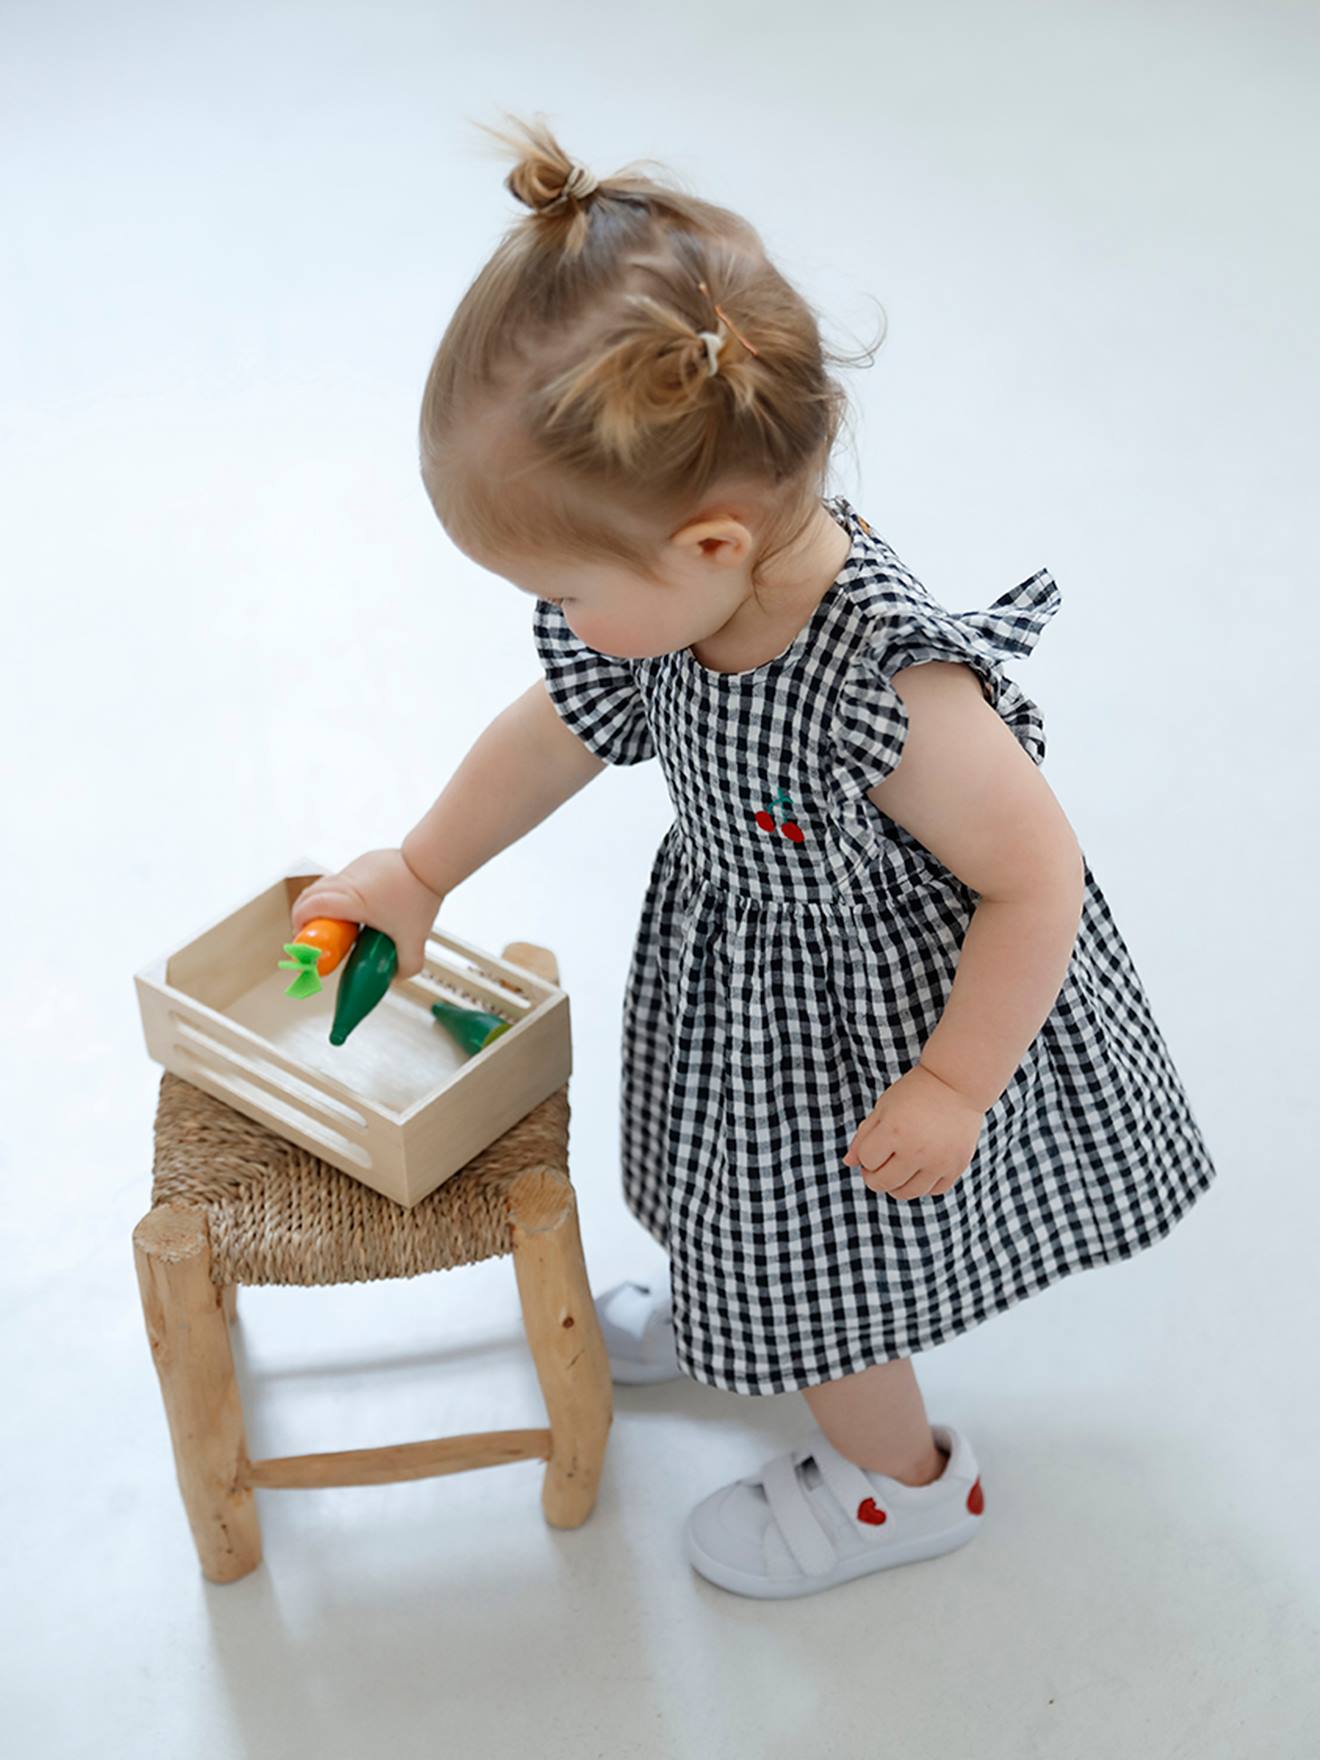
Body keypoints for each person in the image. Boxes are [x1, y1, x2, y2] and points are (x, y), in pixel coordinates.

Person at [289, 113, 1219, 1601]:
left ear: (712, 546)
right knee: (729, 1190)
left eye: (567, 588)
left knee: (833, 1277)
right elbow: (555, 730)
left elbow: (1035, 878)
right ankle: (740, 1300)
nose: (561, 621)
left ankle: (897, 1484)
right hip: (752, 970)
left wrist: (955, 1082)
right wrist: (420, 866)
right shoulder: (680, 601)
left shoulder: (889, 691)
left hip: (878, 1028)